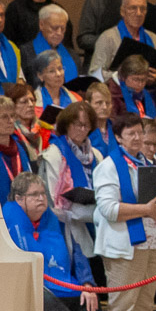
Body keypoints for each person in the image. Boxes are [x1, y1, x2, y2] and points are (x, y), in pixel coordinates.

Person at [92, 112, 156, 311]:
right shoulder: (109, 166)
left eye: (140, 132)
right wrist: (145, 209)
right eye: (131, 133)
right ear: (118, 137)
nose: (137, 138)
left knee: (144, 309)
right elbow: (108, 209)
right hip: (124, 246)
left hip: (152, 243)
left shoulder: (150, 164)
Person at [5, 173, 104, 311]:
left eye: (43, 193)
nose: (41, 198)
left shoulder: (58, 221)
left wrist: (87, 284)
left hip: (65, 286)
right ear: (19, 199)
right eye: (34, 195)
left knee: (90, 305)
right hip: (32, 292)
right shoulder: (4, 225)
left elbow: (77, 254)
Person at [40, 103, 102, 280]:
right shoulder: (54, 153)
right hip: (66, 225)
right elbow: (52, 199)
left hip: (96, 223)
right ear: (66, 124)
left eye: (86, 125)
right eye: (77, 124)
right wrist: (78, 211)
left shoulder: (96, 155)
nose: (81, 129)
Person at [89, 0, 156, 76]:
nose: (139, 13)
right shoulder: (108, 38)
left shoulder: (154, 39)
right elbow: (94, 74)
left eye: (142, 9)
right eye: (133, 8)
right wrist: (121, 76)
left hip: (148, 85)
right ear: (122, 11)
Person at [28, 5, 79, 83]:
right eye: (54, 28)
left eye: (63, 28)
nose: (59, 33)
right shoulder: (26, 53)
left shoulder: (73, 55)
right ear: (41, 25)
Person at [6, 83, 44, 155]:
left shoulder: (44, 129)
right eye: (24, 102)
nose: (30, 104)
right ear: (12, 105)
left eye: (32, 100)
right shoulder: (9, 133)